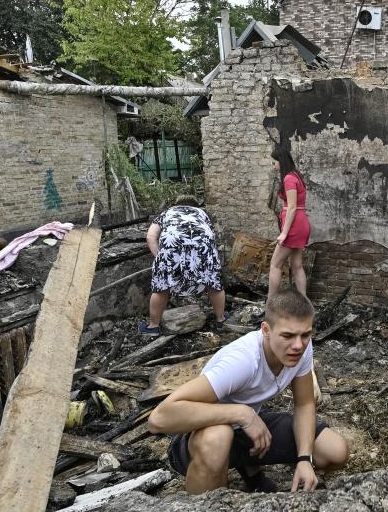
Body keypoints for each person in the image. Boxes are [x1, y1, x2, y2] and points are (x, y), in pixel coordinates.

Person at [147, 289, 350, 494]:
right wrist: (241, 414)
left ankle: (249, 470)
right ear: (266, 330)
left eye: (305, 334)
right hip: (202, 437)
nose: (298, 345)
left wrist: (305, 459)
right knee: (218, 438)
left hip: (248, 431)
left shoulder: (301, 348)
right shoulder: (242, 361)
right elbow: (158, 419)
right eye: (287, 335)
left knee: (334, 450)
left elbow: (304, 404)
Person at [140, 195, 227, 335]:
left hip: (172, 247)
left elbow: (150, 237)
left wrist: (162, 259)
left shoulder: (167, 213)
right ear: (195, 205)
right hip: (202, 247)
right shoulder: (202, 213)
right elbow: (210, 235)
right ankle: (221, 320)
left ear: (176, 204)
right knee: (213, 283)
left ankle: (153, 327)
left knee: (161, 287)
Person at [268, 149, 311, 297]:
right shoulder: (296, 176)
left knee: (275, 265)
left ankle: (270, 305)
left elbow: (292, 207)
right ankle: (304, 303)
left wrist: (284, 233)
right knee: (297, 265)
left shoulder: (288, 178)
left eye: (274, 162)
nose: (273, 165)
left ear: (281, 161)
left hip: (294, 226)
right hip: (301, 224)